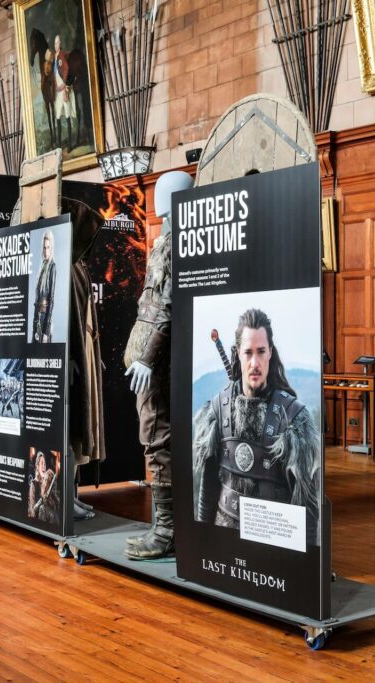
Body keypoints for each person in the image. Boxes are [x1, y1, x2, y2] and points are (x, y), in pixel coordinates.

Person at [192, 308, 321, 544]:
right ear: (237, 354)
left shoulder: (294, 419)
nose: (254, 363)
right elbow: (208, 488)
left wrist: (309, 564)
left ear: (270, 352)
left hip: (273, 543)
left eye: (261, 352)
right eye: (248, 352)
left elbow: (308, 507)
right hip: (225, 539)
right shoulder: (218, 411)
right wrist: (203, 542)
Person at [122, 171, 192, 560]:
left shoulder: (175, 244)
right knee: (157, 435)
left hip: (159, 359)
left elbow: (165, 304)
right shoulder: (168, 240)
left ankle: (166, 530)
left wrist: (148, 357)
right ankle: (166, 526)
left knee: (157, 436)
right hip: (152, 354)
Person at [52, 35, 76, 150]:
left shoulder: (61, 55)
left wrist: (65, 86)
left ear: (60, 44)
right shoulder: (55, 56)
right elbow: (55, 74)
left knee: (67, 115)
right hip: (58, 92)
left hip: (64, 90)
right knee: (57, 116)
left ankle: (70, 144)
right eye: (55, 43)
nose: (56, 45)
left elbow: (66, 68)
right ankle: (59, 145)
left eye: (58, 43)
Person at [32, 229, 56, 343]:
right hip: (37, 319)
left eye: (48, 247)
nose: (46, 251)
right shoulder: (42, 266)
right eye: (44, 247)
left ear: (51, 249)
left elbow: (51, 300)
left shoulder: (52, 267)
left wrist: (46, 331)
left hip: (44, 319)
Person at [28, 450, 60, 524]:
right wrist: (43, 499)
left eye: (45, 464)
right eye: (42, 463)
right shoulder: (34, 484)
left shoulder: (48, 481)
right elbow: (32, 512)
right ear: (37, 466)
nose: (44, 466)